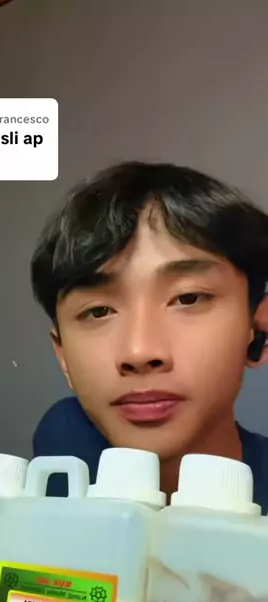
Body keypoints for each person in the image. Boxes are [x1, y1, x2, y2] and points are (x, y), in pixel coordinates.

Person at [30, 161, 268, 508]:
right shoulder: (63, 448)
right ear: (62, 355)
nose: (139, 352)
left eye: (188, 298)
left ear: (259, 328)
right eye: (99, 311)